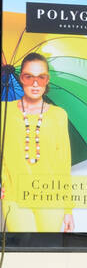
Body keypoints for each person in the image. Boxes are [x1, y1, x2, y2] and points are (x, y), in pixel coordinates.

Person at [0, 51, 74, 232]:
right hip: (14, 197)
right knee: (24, 251)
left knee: (46, 254)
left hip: (51, 199)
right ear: (21, 78)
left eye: (41, 77)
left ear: (47, 80)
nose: (35, 83)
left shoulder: (59, 115)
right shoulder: (4, 110)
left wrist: (68, 208)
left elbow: (64, 165)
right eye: (28, 76)